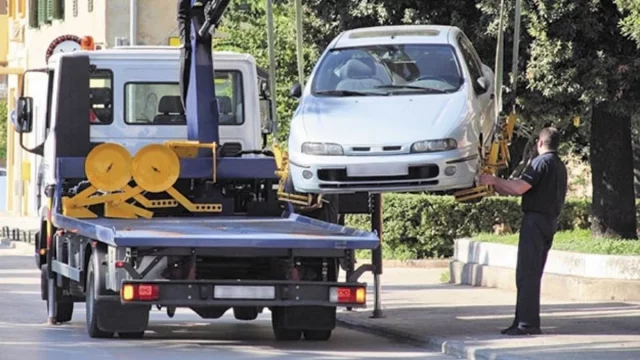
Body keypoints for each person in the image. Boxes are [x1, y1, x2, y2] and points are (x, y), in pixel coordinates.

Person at [479, 127, 568, 336]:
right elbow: (515, 189)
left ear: (539, 142)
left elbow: (519, 187)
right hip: (549, 221)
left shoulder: (540, 162)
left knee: (527, 274)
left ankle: (527, 324)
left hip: (535, 221)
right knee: (531, 273)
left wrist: (493, 180)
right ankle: (521, 321)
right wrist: (499, 186)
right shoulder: (559, 165)